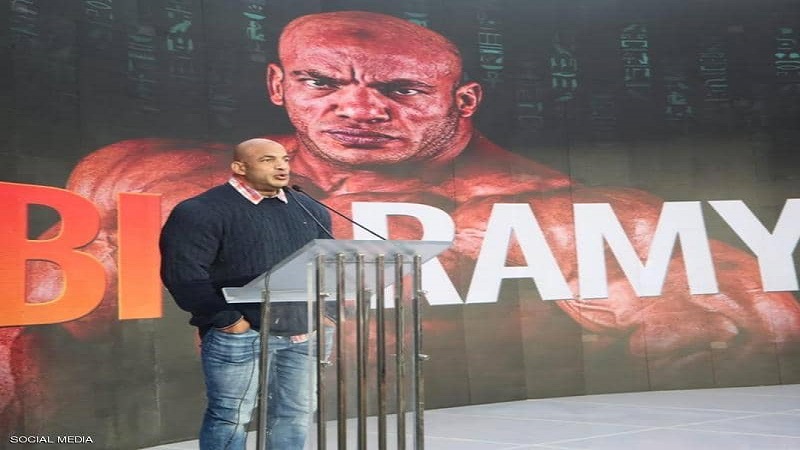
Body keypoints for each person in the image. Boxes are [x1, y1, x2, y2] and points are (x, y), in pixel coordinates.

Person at [6, 9, 800, 435]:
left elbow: (754, 322)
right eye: (322, 82)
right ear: (279, 84)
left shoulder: (567, 216)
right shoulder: (150, 173)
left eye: (401, 91)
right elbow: (36, 324)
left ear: (463, 100)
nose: (358, 108)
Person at [159, 138, 332, 449]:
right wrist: (228, 320)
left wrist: (325, 314)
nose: (281, 166)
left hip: (304, 333)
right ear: (239, 167)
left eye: (284, 159)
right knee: (231, 416)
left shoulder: (311, 208)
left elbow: (326, 265)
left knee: (296, 413)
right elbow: (183, 274)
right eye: (268, 160)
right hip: (241, 333)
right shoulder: (200, 211)